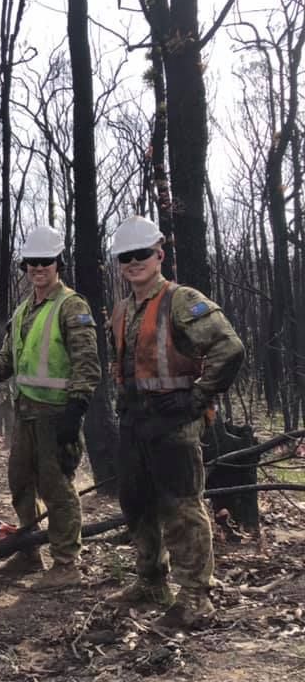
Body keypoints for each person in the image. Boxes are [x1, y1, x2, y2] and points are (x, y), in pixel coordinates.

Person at [105, 215, 244, 631]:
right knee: (137, 503)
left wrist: (197, 397)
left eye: (141, 254)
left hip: (174, 424)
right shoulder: (122, 310)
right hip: (135, 423)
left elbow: (229, 347)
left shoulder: (181, 300)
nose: (134, 262)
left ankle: (195, 598)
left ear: (159, 254)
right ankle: (151, 581)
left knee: (182, 508)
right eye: (126, 257)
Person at [0, 225, 101, 590]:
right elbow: (8, 360)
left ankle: (67, 563)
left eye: (45, 261)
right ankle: (28, 553)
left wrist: (78, 407)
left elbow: (87, 363)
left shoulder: (72, 306)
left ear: (58, 263)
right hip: (25, 416)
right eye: (31, 263)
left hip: (57, 415)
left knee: (56, 489)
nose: (38, 268)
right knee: (20, 485)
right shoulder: (23, 310)